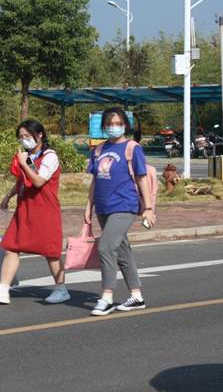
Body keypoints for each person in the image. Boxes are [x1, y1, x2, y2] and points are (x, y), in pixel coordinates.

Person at [0, 119, 68, 305]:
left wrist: (24, 163)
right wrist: (8, 196)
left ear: (40, 135)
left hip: (44, 209)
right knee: (12, 247)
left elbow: (38, 181)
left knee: (50, 251)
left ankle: (61, 289)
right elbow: (21, 181)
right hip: (25, 208)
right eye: (21, 137)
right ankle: (3, 289)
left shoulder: (50, 156)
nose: (24, 140)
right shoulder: (27, 156)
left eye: (27, 136)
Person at [84, 108, 156, 316]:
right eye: (109, 124)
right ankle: (137, 296)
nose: (113, 127)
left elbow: (142, 178)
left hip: (125, 205)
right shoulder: (98, 150)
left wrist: (148, 209)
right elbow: (95, 180)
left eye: (117, 123)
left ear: (125, 125)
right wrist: (88, 207)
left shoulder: (132, 148)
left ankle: (106, 297)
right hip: (104, 206)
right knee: (122, 251)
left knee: (106, 247)